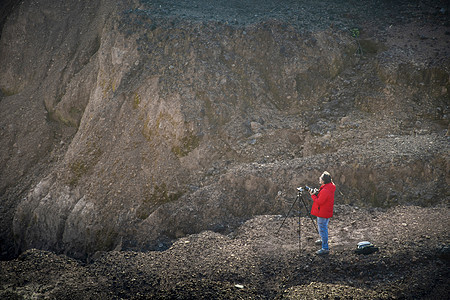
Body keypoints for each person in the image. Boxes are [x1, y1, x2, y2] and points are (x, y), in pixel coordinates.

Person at [309, 171, 336, 255]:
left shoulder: (325, 190)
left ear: (324, 180)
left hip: (322, 212)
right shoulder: (329, 187)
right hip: (326, 211)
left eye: (321, 177)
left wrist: (312, 195)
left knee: (322, 228)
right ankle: (323, 240)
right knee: (323, 227)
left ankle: (325, 247)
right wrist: (317, 193)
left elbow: (319, 202)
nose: (319, 178)